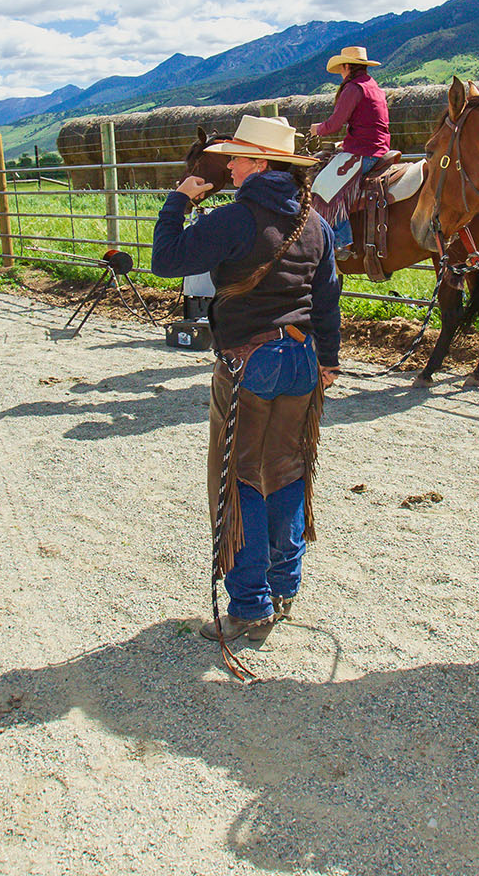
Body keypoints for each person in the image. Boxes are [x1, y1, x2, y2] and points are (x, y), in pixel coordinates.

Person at [151, 115, 342, 643]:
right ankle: (284, 587)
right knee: (286, 470)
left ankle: (249, 605)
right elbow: (327, 300)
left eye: (236, 156)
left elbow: (165, 260)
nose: (228, 165)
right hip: (303, 363)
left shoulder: (236, 219)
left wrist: (179, 201)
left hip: (249, 363)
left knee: (240, 482)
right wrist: (329, 359)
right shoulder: (316, 224)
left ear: (261, 164)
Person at [309, 45, 392, 254]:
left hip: (364, 151)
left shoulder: (353, 88)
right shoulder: (372, 85)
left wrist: (317, 129)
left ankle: (341, 241)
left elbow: (335, 123)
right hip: (377, 146)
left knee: (322, 187)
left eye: (341, 70)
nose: (341, 75)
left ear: (347, 66)